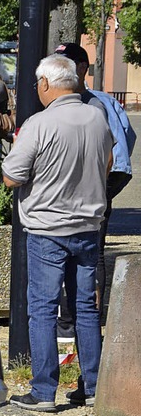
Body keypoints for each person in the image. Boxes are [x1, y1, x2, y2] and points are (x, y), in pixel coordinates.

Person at [2, 54, 114, 412]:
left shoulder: (40, 123)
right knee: (85, 309)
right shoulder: (97, 117)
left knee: (43, 309)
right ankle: (93, 386)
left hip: (48, 228)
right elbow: (109, 161)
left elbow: (12, 176)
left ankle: (44, 391)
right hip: (88, 227)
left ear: (46, 84)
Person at [53, 43, 136, 356]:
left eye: (66, 64)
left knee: (90, 256)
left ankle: (82, 323)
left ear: (83, 68)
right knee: (76, 255)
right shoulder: (63, 101)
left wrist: (99, 187)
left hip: (92, 189)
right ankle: (72, 325)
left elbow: (118, 150)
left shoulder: (96, 103)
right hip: (75, 189)